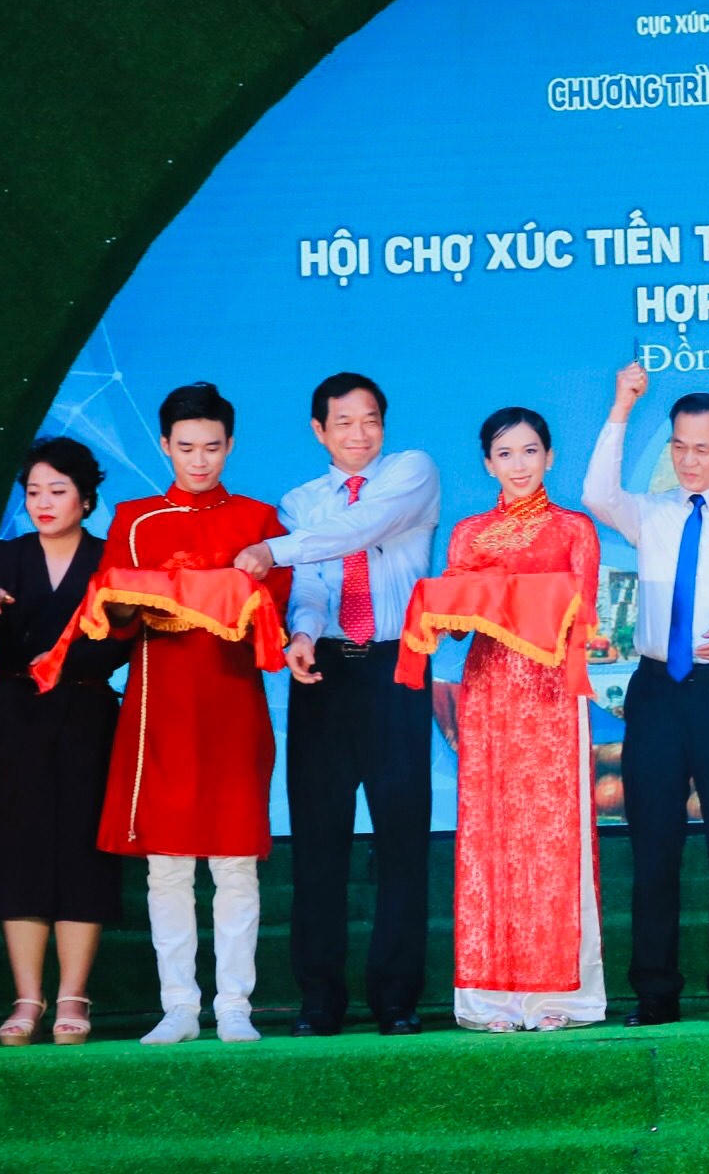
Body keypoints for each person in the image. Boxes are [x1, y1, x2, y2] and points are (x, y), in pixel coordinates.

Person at [238, 373, 440, 1037]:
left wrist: (271, 550)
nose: (360, 433)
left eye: (371, 419)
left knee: (402, 839)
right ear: (319, 430)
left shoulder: (411, 472)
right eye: (344, 422)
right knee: (318, 840)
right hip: (324, 673)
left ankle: (396, 999)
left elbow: (359, 529)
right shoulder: (300, 501)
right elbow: (314, 584)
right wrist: (300, 634)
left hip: (396, 666)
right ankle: (319, 1000)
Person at [100, 382, 289, 1044]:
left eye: (212, 447)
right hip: (161, 707)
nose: (199, 460)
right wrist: (130, 604)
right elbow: (112, 616)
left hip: (234, 703)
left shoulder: (260, 522)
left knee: (235, 861)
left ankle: (235, 1004)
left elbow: (275, 615)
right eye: (186, 448)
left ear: (230, 445)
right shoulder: (135, 520)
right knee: (169, 864)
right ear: (164, 445)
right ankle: (178, 1005)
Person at [586, 365, 709, 1027]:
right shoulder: (651, 513)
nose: (689, 460)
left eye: (703, 448)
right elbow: (596, 491)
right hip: (657, 690)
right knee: (654, 844)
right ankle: (654, 993)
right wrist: (621, 407)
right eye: (679, 446)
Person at [432, 407, 608, 1031]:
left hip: (555, 693)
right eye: (505, 454)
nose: (519, 465)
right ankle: (491, 998)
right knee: (492, 838)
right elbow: (454, 620)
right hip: (488, 694)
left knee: (555, 837)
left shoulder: (574, 530)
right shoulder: (469, 534)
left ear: (550, 456)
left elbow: (584, 613)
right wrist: (451, 608)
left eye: (530, 451)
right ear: (487, 464)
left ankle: (561, 995)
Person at [0, 437, 129, 1045]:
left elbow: (126, 636)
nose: (43, 502)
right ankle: (27, 997)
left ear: (86, 498)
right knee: (18, 849)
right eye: (34, 491)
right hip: (16, 717)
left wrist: (79, 652)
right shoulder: (6, 555)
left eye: (58, 491)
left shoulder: (110, 558)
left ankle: (73, 997)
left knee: (82, 850)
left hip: (86, 713)